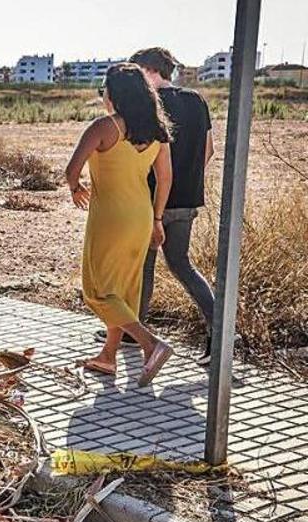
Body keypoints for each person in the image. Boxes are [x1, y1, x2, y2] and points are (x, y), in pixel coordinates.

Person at [96, 47, 218, 361]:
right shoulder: (196, 100)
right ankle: (220, 331)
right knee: (181, 264)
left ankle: (133, 333)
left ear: (149, 71)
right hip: (187, 201)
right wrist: (185, 184)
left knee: (141, 267)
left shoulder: (147, 105)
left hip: (152, 204)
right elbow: (209, 151)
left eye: (136, 72)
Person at [64, 63, 175, 386]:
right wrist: (157, 218)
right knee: (124, 290)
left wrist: (76, 188)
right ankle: (108, 357)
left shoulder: (103, 127)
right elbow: (165, 178)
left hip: (110, 217)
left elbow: (72, 169)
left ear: (113, 94)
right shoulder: (157, 131)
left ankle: (150, 345)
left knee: (97, 290)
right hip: (142, 215)